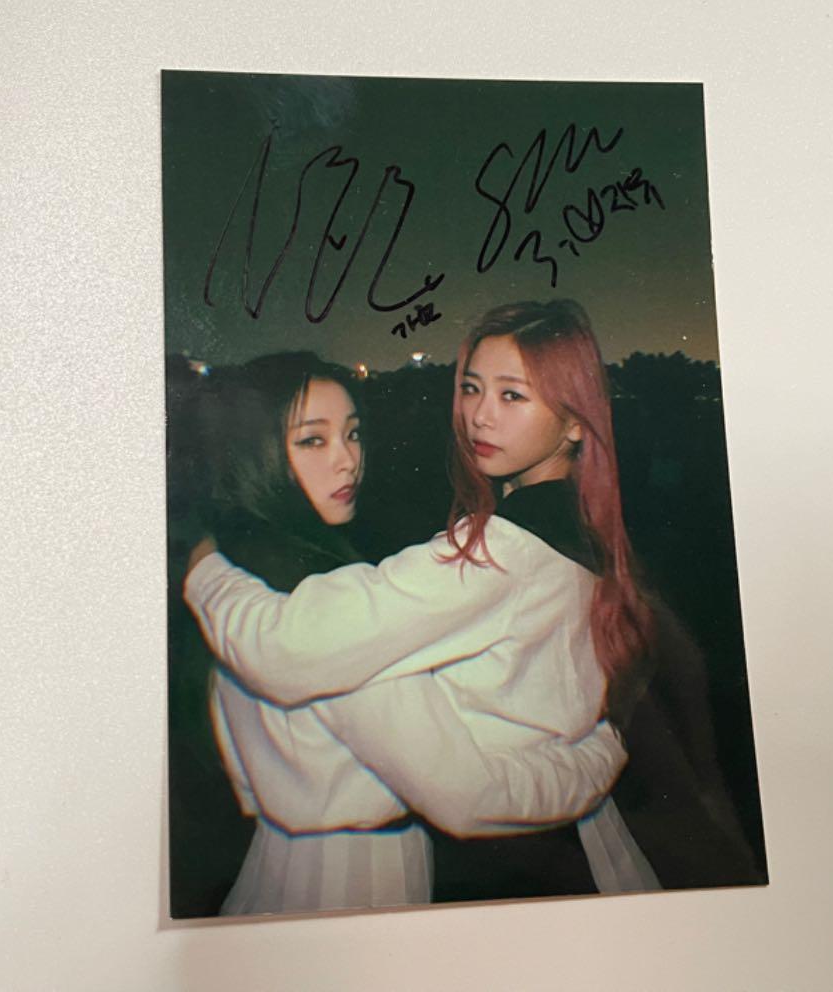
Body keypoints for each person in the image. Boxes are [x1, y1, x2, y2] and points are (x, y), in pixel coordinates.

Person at [184, 300, 664, 904]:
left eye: (512, 395)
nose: (479, 416)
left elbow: (283, 649)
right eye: (471, 388)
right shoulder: (565, 535)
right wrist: (601, 751)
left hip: (520, 858)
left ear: (575, 422)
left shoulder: (500, 551)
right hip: (499, 853)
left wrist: (204, 569)